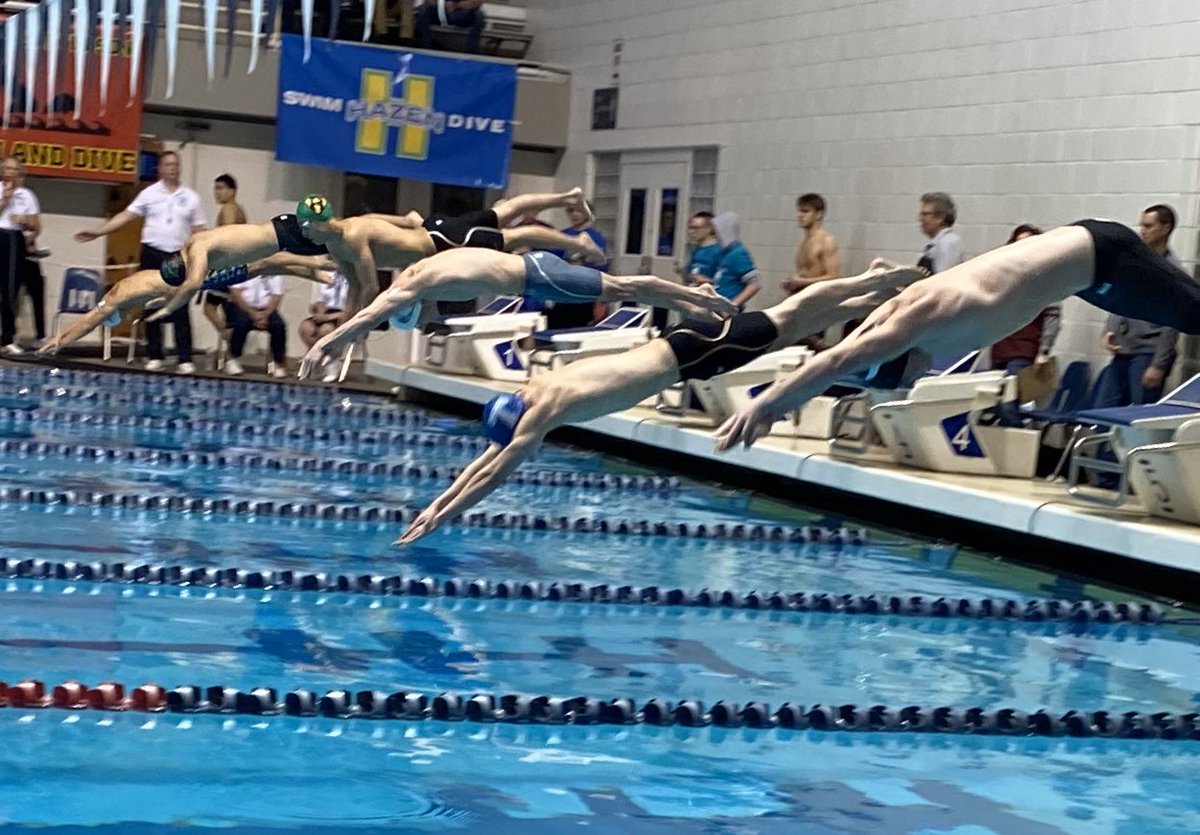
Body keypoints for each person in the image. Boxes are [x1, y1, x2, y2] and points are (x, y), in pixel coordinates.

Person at [393, 259, 924, 545]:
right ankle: (869, 292)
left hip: (689, 357)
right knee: (786, 323)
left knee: (786, 322)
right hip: (679, 343)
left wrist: (442, 517)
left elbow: (491, 475)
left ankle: (871, 281)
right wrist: (434, 506)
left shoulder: (543, 416)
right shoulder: (538, 389)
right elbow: (484, 463)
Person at [713, 219, 1200, 452]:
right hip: (1088, 272)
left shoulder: (914, 322)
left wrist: (767, 403)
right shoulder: (897, 316)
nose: (925, 372)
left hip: (1103, 257)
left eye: (912, 372)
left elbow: (837, 361)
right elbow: (847, 333)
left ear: (902, 356)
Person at [147, 188, 606, 323]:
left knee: (511, 227)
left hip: (439, 244)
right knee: (503, 213)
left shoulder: (352, 239)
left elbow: (368, 285)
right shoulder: (342, 235)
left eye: (316, 228)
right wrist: (346, 321)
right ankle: (568, 206)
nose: (313, 232)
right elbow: (358, 283)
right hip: (425, 234)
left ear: (322, 226)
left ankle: (576, 243)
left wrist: (353, 325)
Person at [298, 247, 741, 378]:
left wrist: (326, 342)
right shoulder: (421, 267)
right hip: (533, 266)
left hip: (536, 279)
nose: (431, 314)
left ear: (411, 305)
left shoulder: (415, 285)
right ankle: (693, 297)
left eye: (421, 315)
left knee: (622, 288)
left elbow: (367, 316)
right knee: (623, 288)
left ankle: (697, 296)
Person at [40, 252, 332, 356]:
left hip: (193, 275)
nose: (127, 317)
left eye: (121, 318)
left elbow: (89, 319)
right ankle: (316, 269)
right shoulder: (131, 297)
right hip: (191, 278)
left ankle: (316, 264)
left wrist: (59, 341)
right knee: (262, 267)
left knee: (263, 264)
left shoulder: (122, 294)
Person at [74, 150, 207, 372]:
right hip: (152, 253)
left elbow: (200, 230)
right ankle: (155, 354)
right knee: (151, 303)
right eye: (168, 164)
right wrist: (98, 232)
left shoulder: (191, 198)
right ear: (160, 169)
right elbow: (126, 216)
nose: (172, 168)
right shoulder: (149, 194)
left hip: (177, 256)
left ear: (180, 167)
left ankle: (185, 358)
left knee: (180, 305)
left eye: (176, 164)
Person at [1092, 204, 1181, 407]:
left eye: (1149, 226)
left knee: (1136, 418)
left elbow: (1173, 322)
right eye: (1142, 225)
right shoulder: (1134, 261)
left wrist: (1159, 364)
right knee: (1103, 410)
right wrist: (1109, 330)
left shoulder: (1171, 271)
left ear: (1165, 228)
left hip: (1147, 354)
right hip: (1123, 350)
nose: (1143, 231)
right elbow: (1117, 296)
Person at [988, 225, 1059, 425]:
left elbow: (1052, 318)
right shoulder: (1005, 279)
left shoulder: (1046, 281)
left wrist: (1044, 351)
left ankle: (1020, 452)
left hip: (1023, 352)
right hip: (1000, 349)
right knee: (994, 404)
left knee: (1008, 405)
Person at [0, 157, 43, 353]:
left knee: (10, 289)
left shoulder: (27, 195)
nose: (10, 172)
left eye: (14, 170)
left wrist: (23, 221)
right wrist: (5, 199)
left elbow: (35, 226)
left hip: (13, 238)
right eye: (7, 168)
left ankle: (8, 337)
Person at [224, 274, 288, 377]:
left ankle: (278, 363)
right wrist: (253, 313)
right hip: (241, 307)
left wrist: (265, 314)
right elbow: (235, 295)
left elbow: (277, 296)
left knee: (278, 325)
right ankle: (232, 359)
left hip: (265, 310)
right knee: (241, 322)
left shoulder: (274, 273)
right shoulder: (242, 269)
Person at [781, 193, 841, 294]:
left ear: (818, 214)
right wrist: (792, 282)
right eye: (799, 211)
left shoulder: (826, 241)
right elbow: (805, 273)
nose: (800, 215)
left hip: (819, 299)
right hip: (802, 296)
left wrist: (802, 282)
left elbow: (833, 276)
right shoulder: (804, 242)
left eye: (805, 211)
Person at [300, 271, 350, 381]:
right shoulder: (324, 274)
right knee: (306, 328)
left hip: (345, 315)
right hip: (326, 312)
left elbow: (353, 309)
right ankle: (317, 358)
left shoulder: (353, 276)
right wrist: (317, 309)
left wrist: (328, 318)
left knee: (326, 330)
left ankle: (333, 360)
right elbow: (314, 304)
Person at [711, 212, 759, 312]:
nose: (715, 237)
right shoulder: (725, 253)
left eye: (716, 233)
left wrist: (732, 305)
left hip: (727, 310)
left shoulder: (738, 253)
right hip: (717, 308)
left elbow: (754, 285)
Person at [917, 192, 965, 273]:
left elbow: (943, 279)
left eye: (925, 214)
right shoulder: (937, 244)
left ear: (940, 217)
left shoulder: (948, 242)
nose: (921, 219)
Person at [415, 0, 485, 54]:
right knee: (422, 10)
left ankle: (471, 52)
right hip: (440, 12)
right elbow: (429, 1)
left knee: (478, 15)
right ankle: (425, 48)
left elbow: (478, 2)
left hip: (462, 14)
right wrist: (443, 5)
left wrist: (457, 5)